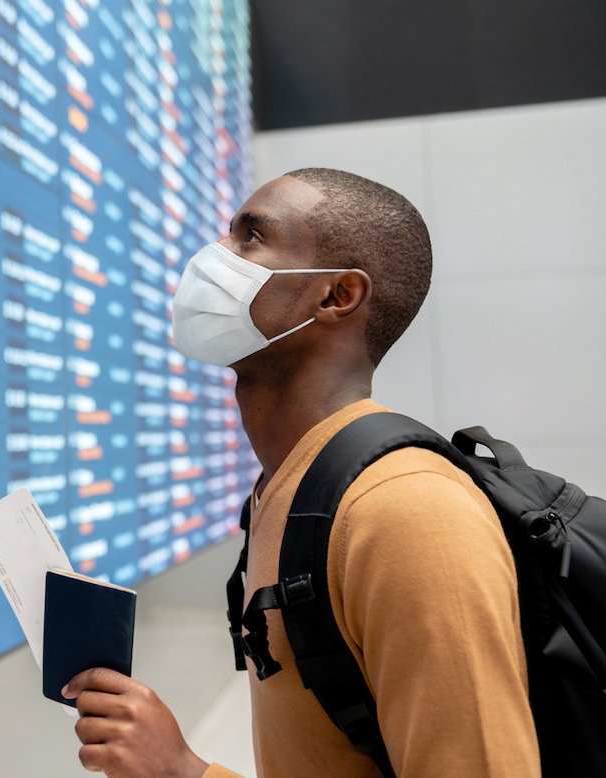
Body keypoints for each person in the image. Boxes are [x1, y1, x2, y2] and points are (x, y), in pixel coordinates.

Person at [61, 169, 542, 777]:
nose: (212, 259)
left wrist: (183, 772)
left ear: (337, 295)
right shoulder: (287, 487)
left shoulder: (407, 513)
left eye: (251, 238)